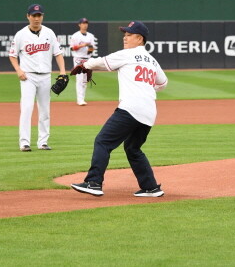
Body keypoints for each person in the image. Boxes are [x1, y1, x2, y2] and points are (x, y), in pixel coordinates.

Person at [70, 21, 168, 197]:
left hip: (130, 108)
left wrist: (85, 65)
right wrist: (145, 88)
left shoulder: (127, 54)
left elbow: (101, 61)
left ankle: (93, 182)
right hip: (148, 112)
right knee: (133, 148)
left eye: (129, 34)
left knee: (103, 141)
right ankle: (150, 187)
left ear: (139, 39)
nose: (125, 37)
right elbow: (163, 83)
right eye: (125, 34)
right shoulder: (152, 60)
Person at [8, 4, 66, 152]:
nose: (36, 18)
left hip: (45, 76)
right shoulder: (21, 34)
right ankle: (24, 143)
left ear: (42, 16)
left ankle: (43, 142)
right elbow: (12, 55)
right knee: (27, 109)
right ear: (28, 16)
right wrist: (18, 70)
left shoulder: (49, 33)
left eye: (39, 15)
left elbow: (58, 53)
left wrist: (63, 71)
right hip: (28, 77)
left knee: (45, 110)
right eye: (33, 15)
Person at [70, 18, 96, 106]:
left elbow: (92, 48)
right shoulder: (75, 36)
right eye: (83, 23)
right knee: (80, 79)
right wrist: (83, 45)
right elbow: (72, 48)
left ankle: (82, 99)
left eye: (86, 23)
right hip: (78, 58)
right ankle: (79, 100)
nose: (85, 25)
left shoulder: (91, 36)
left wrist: (90, 48)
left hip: (87, 58)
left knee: (85, 79)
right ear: (79, 25)